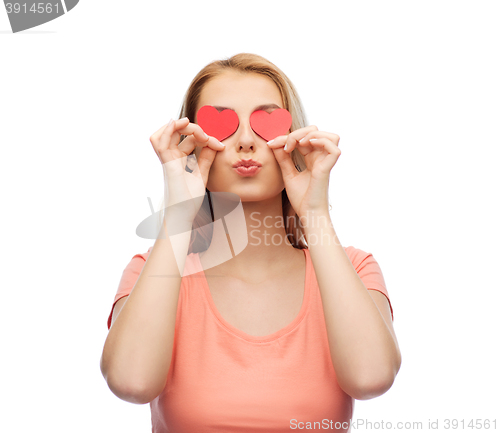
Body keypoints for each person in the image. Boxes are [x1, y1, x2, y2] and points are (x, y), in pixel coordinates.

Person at [100, 53, 401, 433]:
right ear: (191, 143)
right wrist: (179, 210)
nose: (245, 141)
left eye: (264, 122)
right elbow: (131, 383)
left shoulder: (355, 268)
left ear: (294, 139)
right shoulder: (152, 271)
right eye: (221, 124)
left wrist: (315, 213)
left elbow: (371, 377)